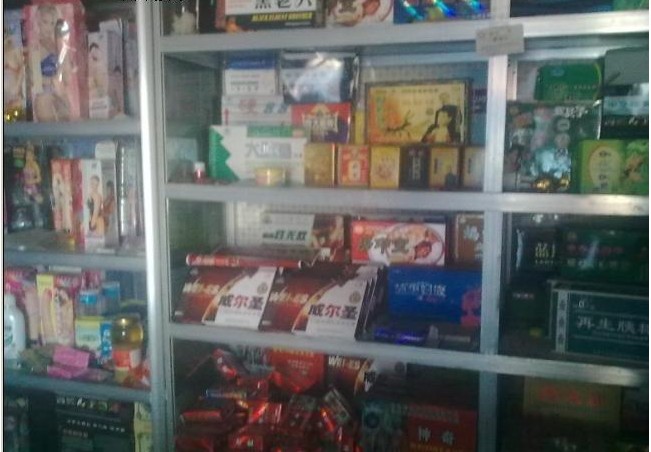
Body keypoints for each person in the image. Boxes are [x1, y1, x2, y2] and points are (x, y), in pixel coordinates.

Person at [31, 5, 71, 121]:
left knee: (66, 125)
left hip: (61, 95)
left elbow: (67, 78)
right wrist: (52, 81)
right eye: (45, 22)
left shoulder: (60, 47)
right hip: (43, 97)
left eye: (52, 23)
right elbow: (35, 80)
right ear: (38, 22)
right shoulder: (35, 48)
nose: (49, 27)